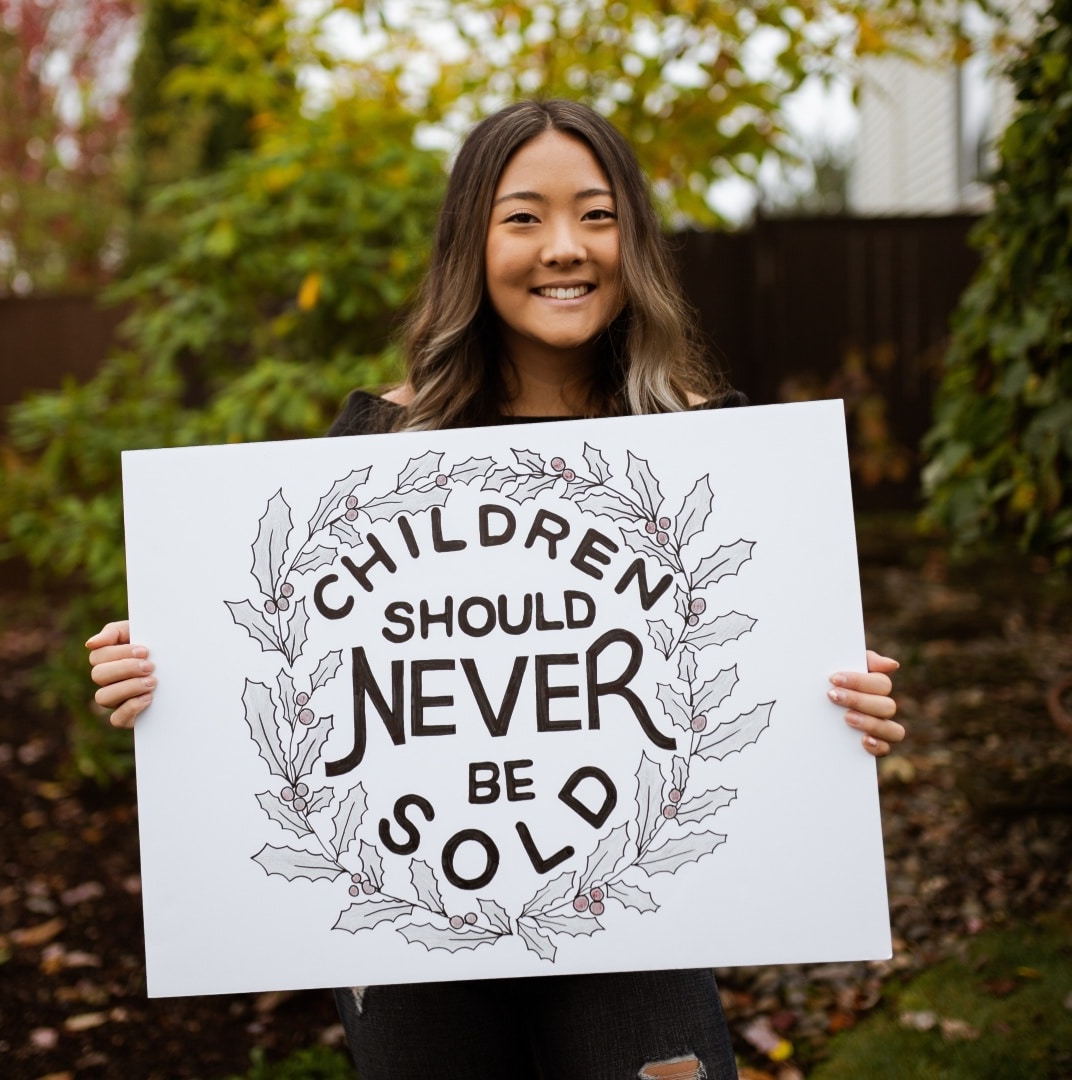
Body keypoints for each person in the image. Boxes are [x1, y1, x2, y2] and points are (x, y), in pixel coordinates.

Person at [87, 99, 904, 1080]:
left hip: (628, 913)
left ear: (634, 239)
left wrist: (843, 711)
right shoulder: (381, 446)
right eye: (524, 217)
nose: (565, 247)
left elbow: (751, 689)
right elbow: (302, 668)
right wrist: (163, 671)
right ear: (470, 242)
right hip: (413, 915)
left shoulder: (710, 445)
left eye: (597, 215)